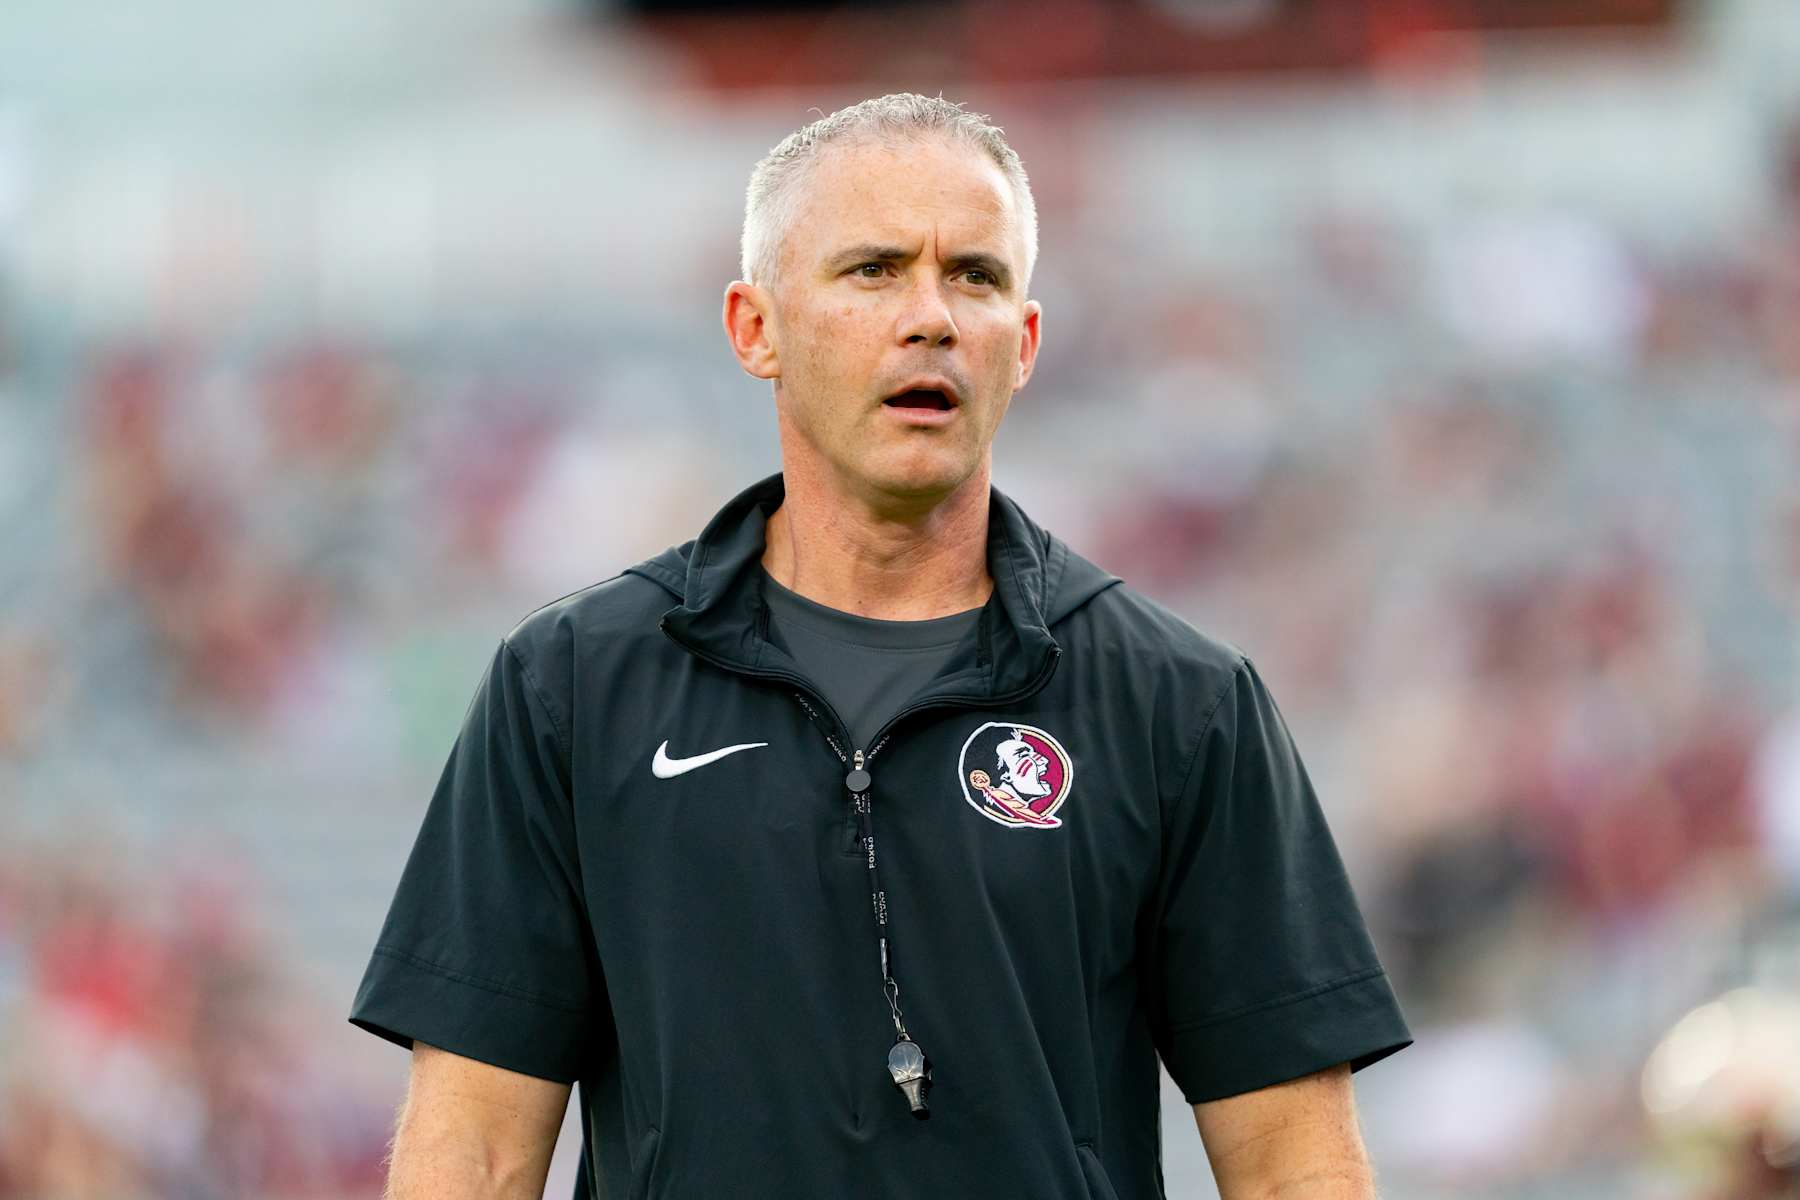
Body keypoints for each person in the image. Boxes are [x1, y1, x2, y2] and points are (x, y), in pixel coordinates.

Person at [349, 92, 1413, 1200]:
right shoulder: (573, 684)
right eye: (874, 270)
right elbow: (474, 1153)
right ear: (755, 328)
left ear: (1025, 344)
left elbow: (1294, 1166)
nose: (932, 318)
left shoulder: (1181, 703)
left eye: (976, 277)